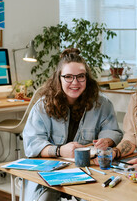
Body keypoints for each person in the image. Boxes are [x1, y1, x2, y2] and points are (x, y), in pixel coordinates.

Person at [22, 48, 122, 201]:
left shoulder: (102, 104)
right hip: (51, 172)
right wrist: (60, 151)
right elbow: (32, 144)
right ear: (59, 78)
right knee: (44, 198)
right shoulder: (43, 106)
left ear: (87, 78)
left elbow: (112, 131)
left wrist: (106, 141)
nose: (75, 83)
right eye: (68, 77)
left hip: (90, 170)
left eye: (80, 77)